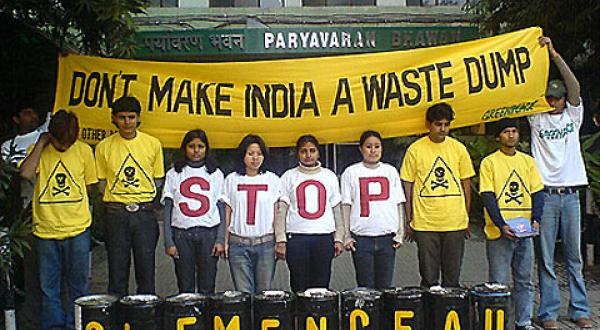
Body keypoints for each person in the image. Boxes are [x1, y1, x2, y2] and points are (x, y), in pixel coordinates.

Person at [528, 36, 592, 329]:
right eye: (550, 97)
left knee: (573, 256)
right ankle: (549, 312)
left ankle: (580, 309)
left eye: (558, 96)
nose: (554, 101)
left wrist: (554, 54)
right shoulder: (536, 118)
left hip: (571, 195)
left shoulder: (573, 116)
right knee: (545, 257)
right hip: (545, 195)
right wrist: (535, 56)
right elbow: (524, 88)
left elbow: (575, 86)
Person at [19, 110, 97, 330]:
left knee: (79, 286)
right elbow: (25, 174)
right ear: (51, 136)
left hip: (78, 228)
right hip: (45, 230)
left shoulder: (83, 150)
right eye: (60, 143)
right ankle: (53, 327)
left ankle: (77, 325)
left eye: (68, 144)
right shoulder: (39, 150)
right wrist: (42, 142)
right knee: (48, 288)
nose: (64, 148)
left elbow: (90, 185)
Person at [95, 95, 164, 297]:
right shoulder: (104, 146)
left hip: (144, 213)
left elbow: (158, 179)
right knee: (117, 271)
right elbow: (101, 183)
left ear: (138, 118)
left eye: (131, 117)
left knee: (146, 271)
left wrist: (143, 198)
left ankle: (145, 318)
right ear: (114, 118)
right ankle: (117, 319)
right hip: (116, 213)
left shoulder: (152, 144)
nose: (127, 122)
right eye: (122, 117)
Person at [401, 102, 474, 288]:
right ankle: (429, 316)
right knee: (428, 278)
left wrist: (465, 217)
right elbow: (407, 186)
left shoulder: (459, 149)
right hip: (425, 223)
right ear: (428, 124)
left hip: (455, 222)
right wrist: (409, 220)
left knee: (452, 280)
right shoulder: (415, 150)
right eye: (438, 124)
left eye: (446, 124)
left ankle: (450, 315)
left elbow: (466, 184)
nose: (442, 129)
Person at [480, 118, 544, 330]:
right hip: (499, 232)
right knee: (498, 282)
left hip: (525, 230)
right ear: (499, 136)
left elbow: (537, 192)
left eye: (514, 131)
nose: (511, 135)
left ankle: (523, 322)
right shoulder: (490, 162)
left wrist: (536, 220)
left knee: (525, 280)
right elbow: (487, 195)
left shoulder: (528, 161)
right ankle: (499, 323)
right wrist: (501, 224)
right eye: (506, 131)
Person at [276, 135, 344, 292]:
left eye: (312, 151)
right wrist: (281, 239)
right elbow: (282, 210)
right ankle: (299, 317)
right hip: (297, 239)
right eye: (303, 151)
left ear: (318, 153)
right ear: (297, 153)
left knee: (321, 286)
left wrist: (339, 238)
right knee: (298, 285)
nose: (308, 155)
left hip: (323, 238)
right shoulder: (289, 176)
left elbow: (336, 209)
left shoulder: (329, 176)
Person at [161, 129, 225, 294]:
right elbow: (168, 209)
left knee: (207, 284)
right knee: (185, 284)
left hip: (208, 234)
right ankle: (188, 318)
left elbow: (221, 207)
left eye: (200, 146)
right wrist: (168, 241)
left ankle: (207, 319)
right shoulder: (174, 173)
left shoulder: (216, 174)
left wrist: (220, 239)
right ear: (184, 148)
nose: (196, 151)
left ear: (207, 149)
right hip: (182, 235)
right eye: (191, 146)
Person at [341, 130, 405, 289]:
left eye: (377, 146)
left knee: (385, 286)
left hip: (387, 239)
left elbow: (399, 203)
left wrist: (401, 232)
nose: (373, 150)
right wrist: (346, 236)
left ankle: (383, 315)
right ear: (361, 149)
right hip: (361, 239)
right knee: (365, 287)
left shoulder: (390, 171)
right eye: (368, 146)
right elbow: (346, 205)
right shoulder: (350, 172)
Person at [221, 134, 281, 294]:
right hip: (238, 244)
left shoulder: (272, 179)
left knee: (264, 293)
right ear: (243, 155)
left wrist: (279, 241)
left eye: (259, 154)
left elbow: (276, 213)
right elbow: (227, 212)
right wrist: (224, 241)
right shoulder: (231, 180)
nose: (255, 158)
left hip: (266, 244)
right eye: (250, 153)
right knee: (243, 294)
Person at [2, 102, 51, 206]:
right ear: (16, 119)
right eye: (27, 113)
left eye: (34, 113)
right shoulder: (8, 146)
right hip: (22, 202)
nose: (33, 116)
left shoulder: (46, 135)